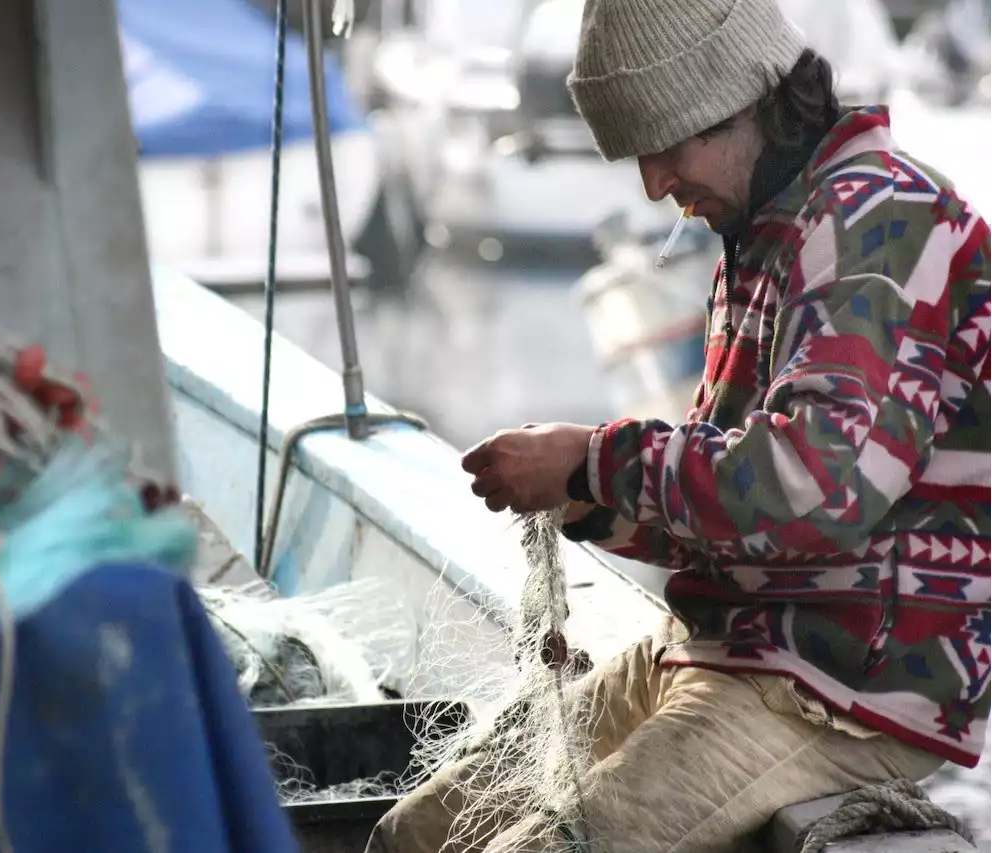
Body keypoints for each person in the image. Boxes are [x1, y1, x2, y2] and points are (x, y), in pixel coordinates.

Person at [367, 0, 992, 851]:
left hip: (842, 684)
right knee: (417, 833)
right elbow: (737, 510)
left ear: (747, 104)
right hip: (729, 642)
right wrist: (582, 500)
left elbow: (817, 487)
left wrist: (593, 463)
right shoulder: (771, 228)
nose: (655, 185)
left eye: (667, 147)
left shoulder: (874, 219)